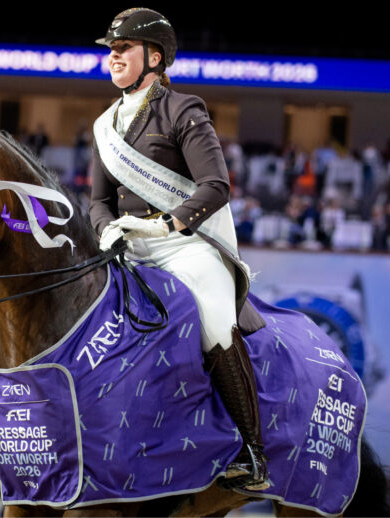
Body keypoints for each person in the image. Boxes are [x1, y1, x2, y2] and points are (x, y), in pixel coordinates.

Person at [89, 8, 268, 491]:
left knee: (212, 316)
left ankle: (254, 452)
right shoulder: (104, 126)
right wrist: (107, 230)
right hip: (128, 248)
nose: (114, 57)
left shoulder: (184, 109)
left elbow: (216, 185)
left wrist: (166, 224)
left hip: (183, 245)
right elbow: (97, 202)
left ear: (154, 56)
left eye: (123, 48)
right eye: (111, 50)